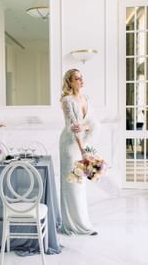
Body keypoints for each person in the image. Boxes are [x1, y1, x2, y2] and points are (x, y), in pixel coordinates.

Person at [59, 68, 99, 235]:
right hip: (70, 145)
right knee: (72, 183)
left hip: (83, 143)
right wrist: (83, 151)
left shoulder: (87, 98)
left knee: (80, 184)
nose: (81, 81)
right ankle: (72, 225)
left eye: (81, 78)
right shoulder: (67, 100)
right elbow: (73, 127)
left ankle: (83, 222)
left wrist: (85, 127)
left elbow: (92, 123)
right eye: (77, 78)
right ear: (69, 82)